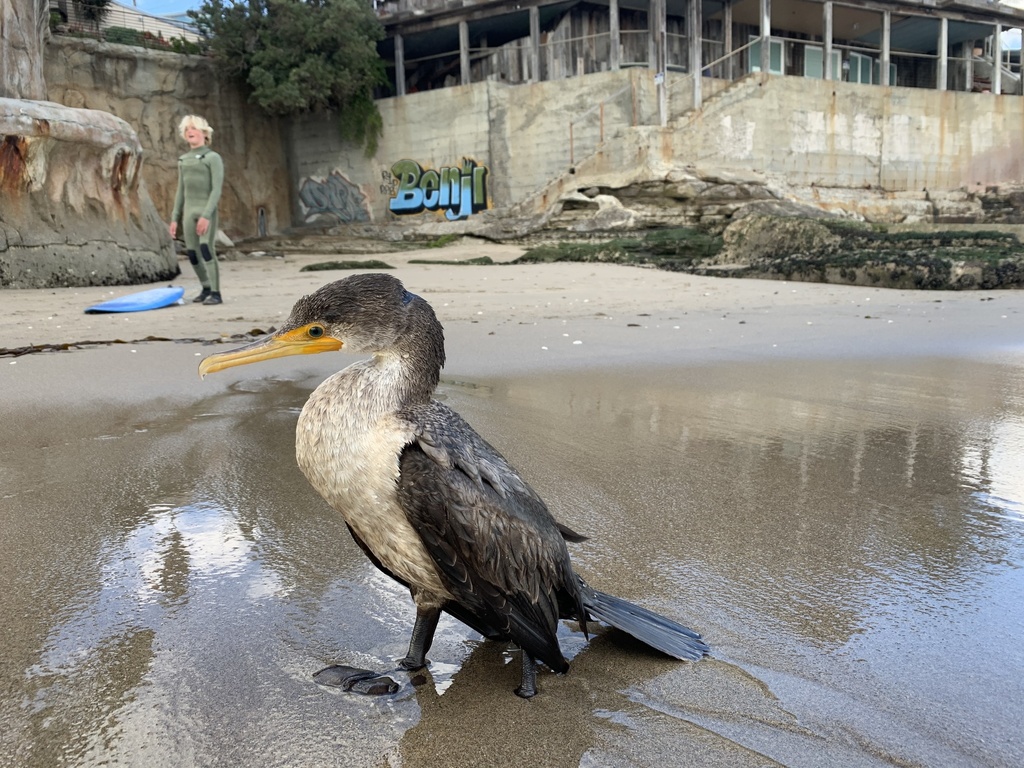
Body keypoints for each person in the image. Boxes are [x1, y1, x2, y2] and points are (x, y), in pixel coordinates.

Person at [169, 115, 225, 305]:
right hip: (188, 213)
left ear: (204, 132)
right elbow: (180, 191)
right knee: (192, 253)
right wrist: (175, 218)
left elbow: (216, 189)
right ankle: (206, 287)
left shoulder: (212, 158)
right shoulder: (183, 160)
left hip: (206, 212)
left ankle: (216, 293)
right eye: (186, 129)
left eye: (193, 128)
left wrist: (206, 215)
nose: (189, 132)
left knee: (206, 249)